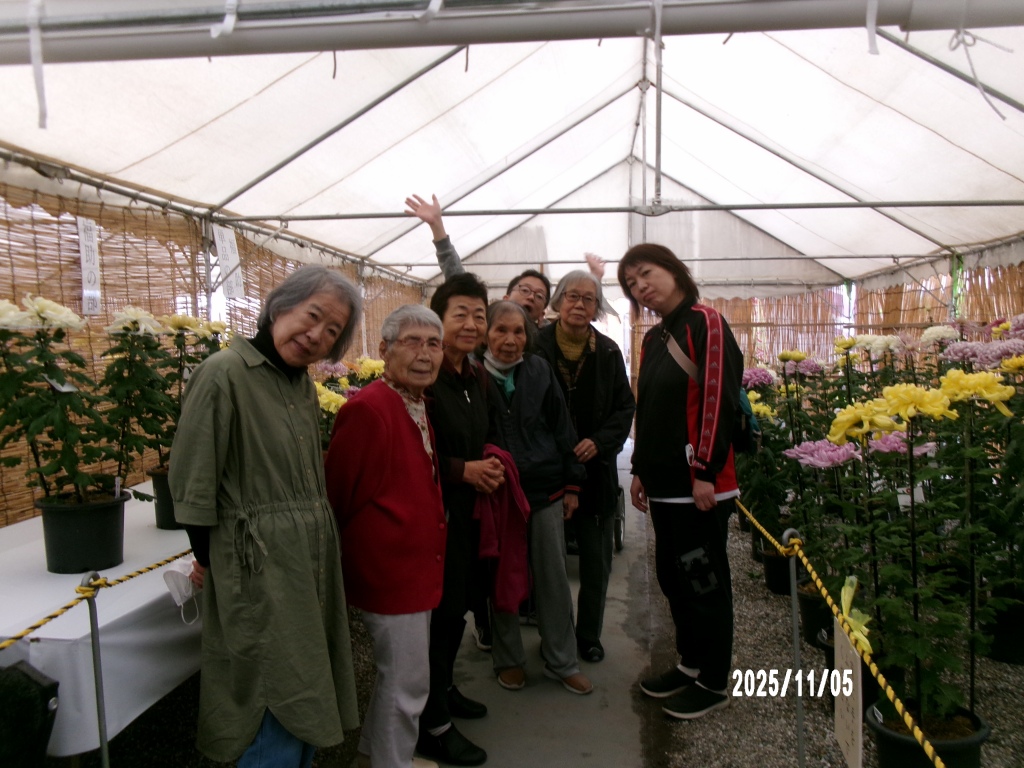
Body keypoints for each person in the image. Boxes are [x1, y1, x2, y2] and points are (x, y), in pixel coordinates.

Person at [169, 265, 361, 767]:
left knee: (304, 678)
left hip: (304, 564)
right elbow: (192, 482)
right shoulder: (224, 373)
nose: (316, 335)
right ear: (280, 306)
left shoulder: (300, 386)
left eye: (332, 331)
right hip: (258, 567)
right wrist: (207, 557)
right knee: (268, 687)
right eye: (312, 316)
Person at [616, 243, 743, 720]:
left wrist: (705, 471)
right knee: (674, 578)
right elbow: (648, 407)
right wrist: (640, 470)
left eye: (646, 273)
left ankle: (714, 681)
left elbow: (717, 396)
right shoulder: (654, 338)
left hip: (699, 487)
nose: (640, 287)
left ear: (673, 270)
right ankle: (691, 663)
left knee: (703, 580)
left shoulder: (705, 323)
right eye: (631, 283)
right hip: (665, 485)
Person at [325, 305, 447, 768]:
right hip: (388, 573)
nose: (424, 354)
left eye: (433, 344)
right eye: (412, 342)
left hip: (412, 570)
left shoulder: (412, 402)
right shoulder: (369, 410)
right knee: (407, 684)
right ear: (384, 350)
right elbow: (338, 496)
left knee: (398, 677)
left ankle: (373, 756)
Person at [482, 300, 593, 695]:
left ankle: (561, 659)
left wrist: (573, 484)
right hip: (499, 493)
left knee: (553, 578)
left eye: (518, 331)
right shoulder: (474, 375)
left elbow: (563, 427)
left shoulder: (539, 370)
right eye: (500, 330)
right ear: (486, 333)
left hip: (546, 489)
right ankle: (508, 659)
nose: (510, 340)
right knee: (504, 577)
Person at [416, 273, 503, 767]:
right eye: (460, 315)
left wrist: (492, 464)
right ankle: (431, 725)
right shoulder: (425, 378)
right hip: (436, 518)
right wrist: (462, 470)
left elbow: (492, 434)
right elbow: (411, 452)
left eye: (479, 315)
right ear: (438, 319)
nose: (471, 324)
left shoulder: (476, 377)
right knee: (441, 614)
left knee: (461, 607)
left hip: (470, 514)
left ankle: (444, 689)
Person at [534, 270, 635, 663]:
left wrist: (601, 441)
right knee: (549, 566)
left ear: (597, 307)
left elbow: (625, 407)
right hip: (548, 471)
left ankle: (588, 636)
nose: (579, 304)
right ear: (558, 301)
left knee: (596, 563)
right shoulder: (536, 346)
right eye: (571, 296)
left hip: (596, 473)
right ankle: (555, 638)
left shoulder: (607, 351)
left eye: (588, 299)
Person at [404, 193, 551, 327]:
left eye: (539, 296)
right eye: (525, 290)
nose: (531, 297)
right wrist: (437, 226)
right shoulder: (480, 329)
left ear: (542, 313)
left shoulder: (543, 344)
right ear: (506, 298)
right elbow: (459, 280)